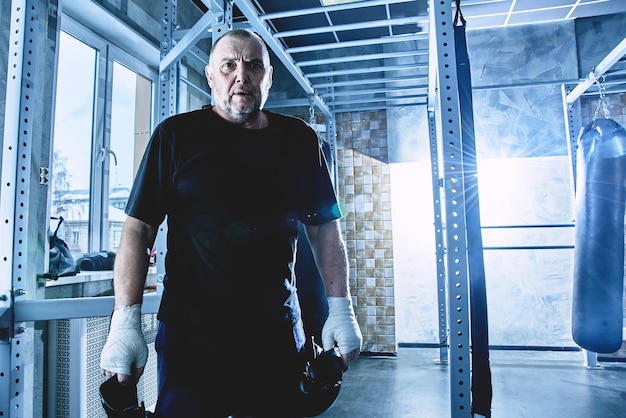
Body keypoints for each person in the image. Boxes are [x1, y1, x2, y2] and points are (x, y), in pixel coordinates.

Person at [99, 28, 362, 417]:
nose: (242, 75)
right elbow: (138, 228)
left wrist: (342, 308)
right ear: (211, 77)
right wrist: (125, 321)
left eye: (254, 66)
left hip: (274, 338)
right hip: (192, 343)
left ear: (268, 78)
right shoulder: (175, 137)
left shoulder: (299, 141)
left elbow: (324, 228)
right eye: (229, 65)